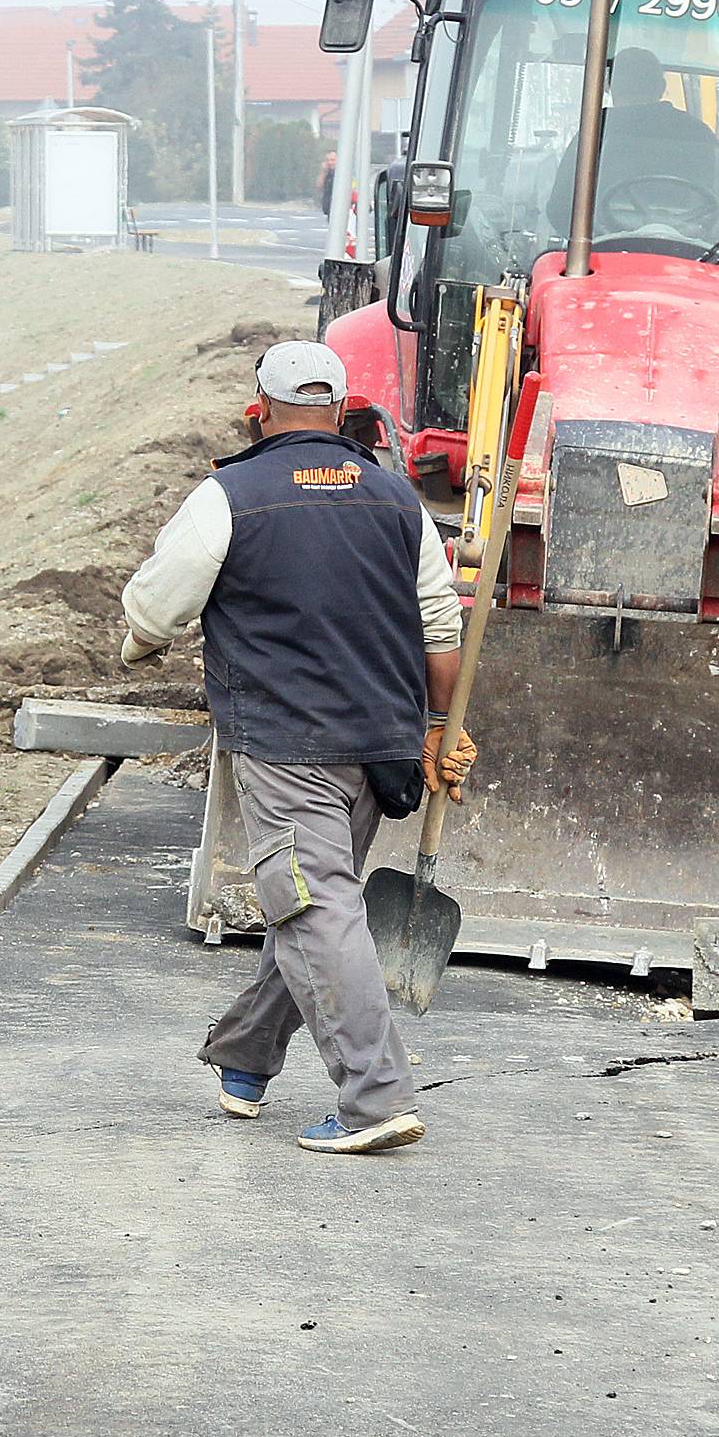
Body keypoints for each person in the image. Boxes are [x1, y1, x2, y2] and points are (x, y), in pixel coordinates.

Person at [120, 341, 469, 1155]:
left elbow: (157, 610)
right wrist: (436, 727)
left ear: (262, 410)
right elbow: (441, 627)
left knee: (312, 907)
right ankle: (245, 1060)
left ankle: (374, 1099)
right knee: (315, 899)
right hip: (379, 744)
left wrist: (137, 642)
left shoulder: (228, 495)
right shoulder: (397, 499)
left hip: (287, 742)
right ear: (345, 412)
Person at [547, 46, 719, 246]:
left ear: (610, 86)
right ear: (661, 88)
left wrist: (593, 245)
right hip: (686, 264)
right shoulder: (698, 133)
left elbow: (559, 207)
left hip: (607, 264)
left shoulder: (595, 131)